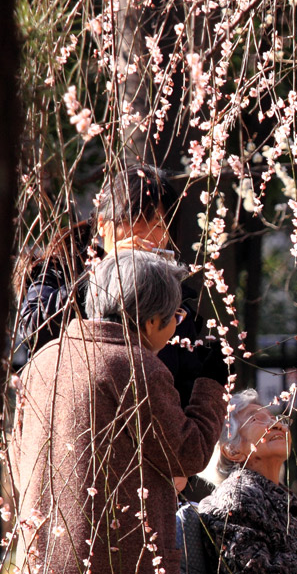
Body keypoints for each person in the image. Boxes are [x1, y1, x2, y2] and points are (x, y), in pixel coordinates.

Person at [2, 250, 229, 574]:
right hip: (121, 553)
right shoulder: (134, 365)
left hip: (48, 549)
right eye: (172, 317)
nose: (176, 326)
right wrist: (210, 388)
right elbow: (188, 451)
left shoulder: (43, 361)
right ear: (149, 319)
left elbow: (16, 455)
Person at [16, 163, 214, 407]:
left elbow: (184, 384)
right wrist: (103, 272)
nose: (146, 235)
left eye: (160, 225)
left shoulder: (174, 295)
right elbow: (34, 330)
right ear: (102, 224)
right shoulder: (64, 267)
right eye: (136, 220)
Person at [176, 389, 297, 574]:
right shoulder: (236, 495)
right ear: (232, 450)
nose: (277, 423)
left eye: (276, 418)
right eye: (257, 418)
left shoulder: (284, 498)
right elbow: (251, 569)